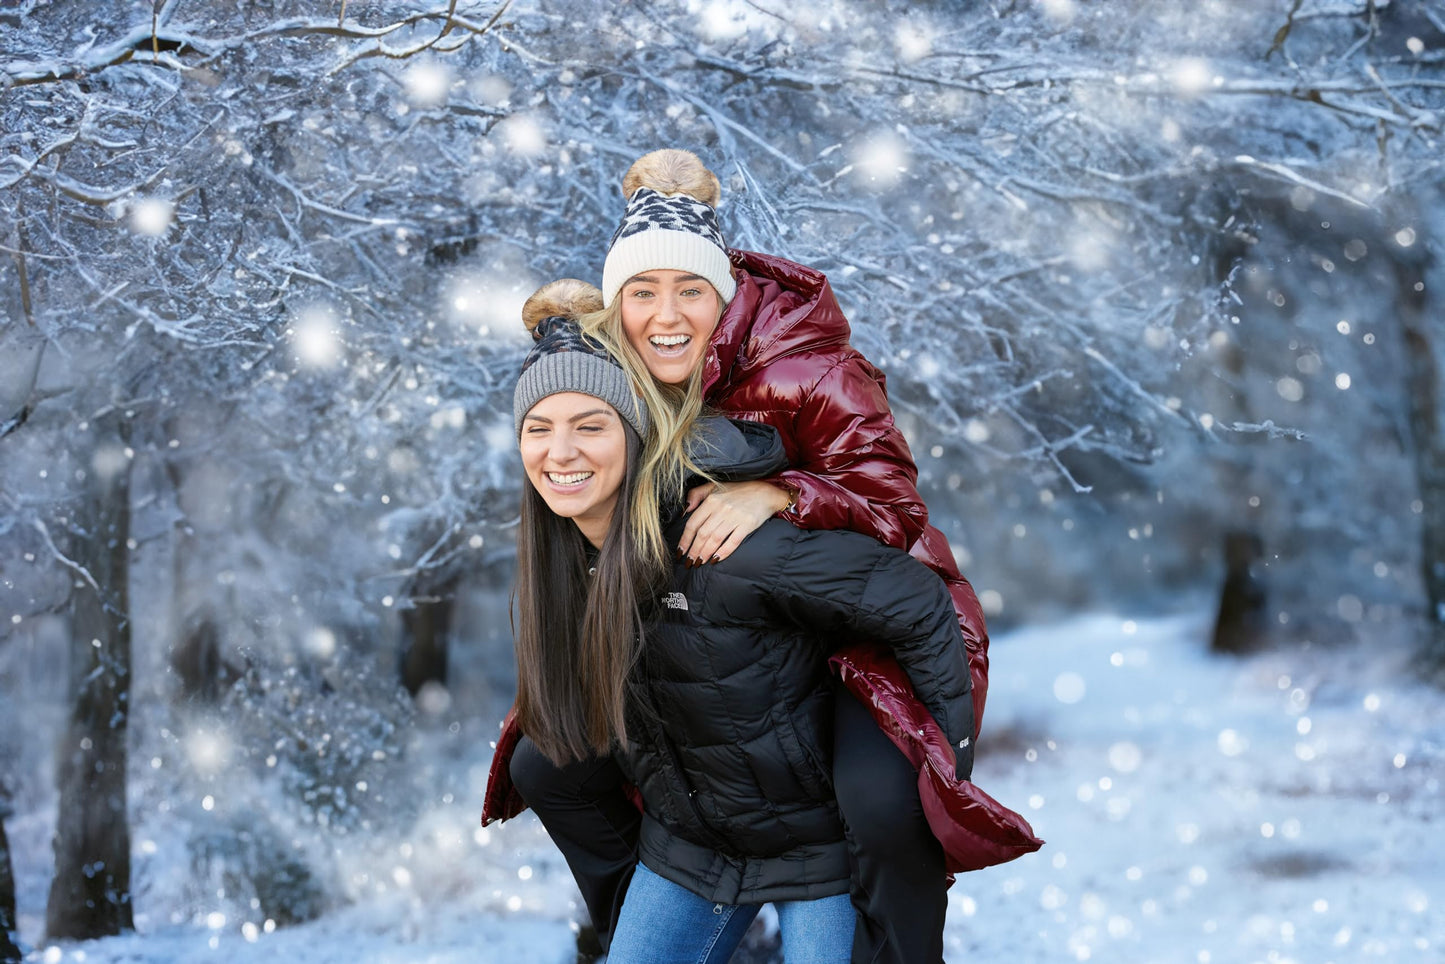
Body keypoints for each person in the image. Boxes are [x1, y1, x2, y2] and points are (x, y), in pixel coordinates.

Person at [485, 149, 1040, 963]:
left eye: (688, 291)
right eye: (640, 293)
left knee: (878, 803)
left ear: (727, 292)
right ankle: (663, 903)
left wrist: (781, 493)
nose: (664, 314)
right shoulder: (631, 372)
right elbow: (581, 429)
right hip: (745, 620)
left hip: (869, 618)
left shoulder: (809, 366)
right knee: (552, 759)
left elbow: (893, 507)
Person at [509, 312, 975, 963]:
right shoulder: (562, 561)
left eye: (590, 426)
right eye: (538, 429)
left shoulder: (729, 543)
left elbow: (918, 600)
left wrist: (946, 764)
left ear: (636, 435)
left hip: (820, 850)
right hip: (693, 850)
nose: (560, 452)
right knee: (538, 761)